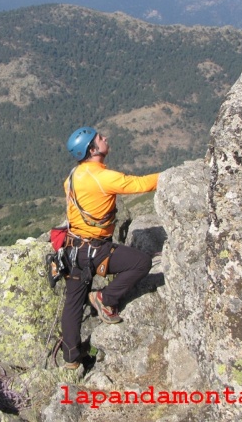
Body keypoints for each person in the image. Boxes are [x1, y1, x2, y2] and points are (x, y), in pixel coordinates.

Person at [60, 126, 160, 370]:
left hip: (73, 249)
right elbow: (139, 185)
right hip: (96, 249)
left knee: (73, 302)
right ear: (92, 149)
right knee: (141, 263)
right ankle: (105, 298)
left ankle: (71, 359)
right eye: (100, 138)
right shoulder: (103, 178)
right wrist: (171, 176)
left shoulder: (73, 176)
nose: (106, 138)